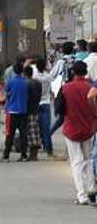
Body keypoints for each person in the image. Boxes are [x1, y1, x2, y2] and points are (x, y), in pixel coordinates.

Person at [55, 61, 97, 205]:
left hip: (71, 128)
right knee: (89, 159)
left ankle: (82, 195)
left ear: (73, 72)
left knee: (76, 162)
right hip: (89, 128)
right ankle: (92, 189)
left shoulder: (65, 88)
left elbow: (59, 109)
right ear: (85, 72)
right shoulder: (91, 87)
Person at [2, 61, 30, 161]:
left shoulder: (10, 82)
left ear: (13, 70)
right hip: (23, 110)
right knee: (23, 134)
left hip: (12, 110)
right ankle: (23, 155)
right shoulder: (26, 82)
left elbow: (4, 96)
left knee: (10, 133)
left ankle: (6, 155)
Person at [32, 57, 55, 156]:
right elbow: (52, 90)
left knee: (35, 127)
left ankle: (36, 147)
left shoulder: (34, 76)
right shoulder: (48, 76)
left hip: (35, 103)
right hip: (46, 102)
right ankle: (48, 148)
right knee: (46, 128)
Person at [24, 66, 43, 160]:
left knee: (31, 133)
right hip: (36, 108)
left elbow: (27, 97)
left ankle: (32, 155)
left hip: (28, 110)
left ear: (25, 73)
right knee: (35, 132)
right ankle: (34, 154)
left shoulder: (27, 83)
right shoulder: (38, 82)